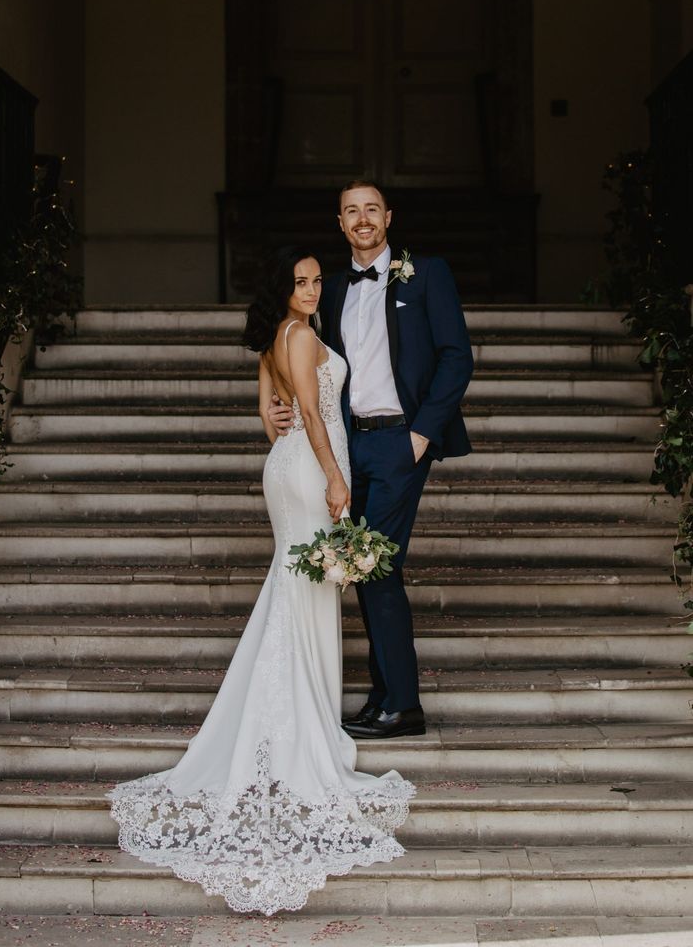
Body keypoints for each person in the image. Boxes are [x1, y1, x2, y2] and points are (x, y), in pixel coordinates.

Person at [107, 245, 414, 915]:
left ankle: (297, 712)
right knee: (305, 590)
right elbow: (305, 411)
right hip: (309, 469)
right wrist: (335, 477)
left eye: (313, 280)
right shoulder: (300, 335)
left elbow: (266, 413)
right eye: (299, 281)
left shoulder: (277, 339)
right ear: (283, 288)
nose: (309, 289)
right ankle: (300, 727)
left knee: (297, 587)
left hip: (286, 465)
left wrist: (292, 439)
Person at [269, 182, 473, 740]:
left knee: (373, 562)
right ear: (340, 223)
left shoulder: (427, 273)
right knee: (364, 568)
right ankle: (384, 696)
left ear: (389, 217)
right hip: (345, 441)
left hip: (399, 441)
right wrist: (270, 395)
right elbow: (286, 341)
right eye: (352, 211)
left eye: (372, 210)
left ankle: (402, 705)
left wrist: (422, 435)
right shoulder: (329, 290)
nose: (363, 219)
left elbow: (457, 356)